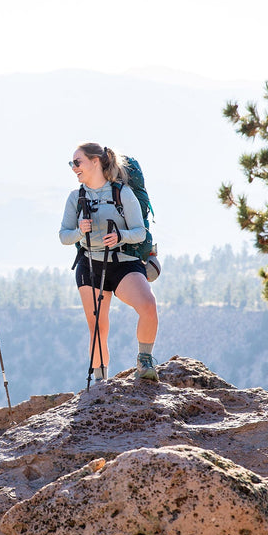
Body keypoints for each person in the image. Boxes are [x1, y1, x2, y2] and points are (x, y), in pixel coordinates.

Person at [59, 142, 159, 382]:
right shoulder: (76, 197)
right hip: (90, 264)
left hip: (124, 262)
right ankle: (101, 380)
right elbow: (64, 235)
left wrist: (120, 236)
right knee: (97, 325)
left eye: (77, 162)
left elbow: (140, 232)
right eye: (72, 163)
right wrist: (80, 233)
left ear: (95, 162)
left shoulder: (122, 193)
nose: (74, 168)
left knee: (148, 305)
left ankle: (144, 363)